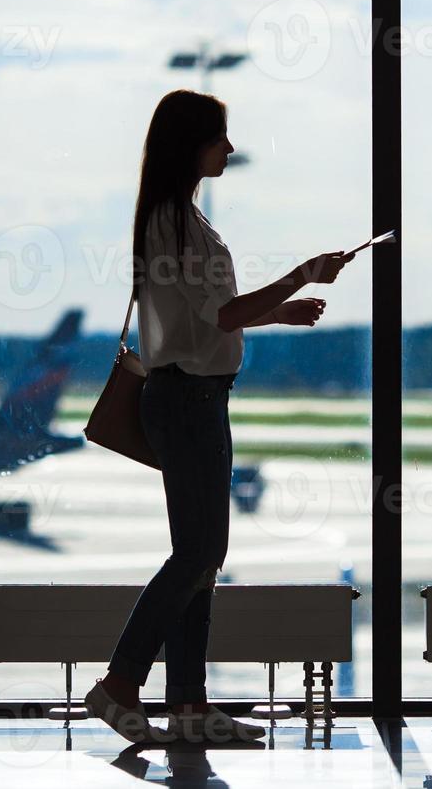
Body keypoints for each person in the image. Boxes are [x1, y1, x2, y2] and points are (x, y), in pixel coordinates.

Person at [84, 89, 353, 744]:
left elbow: (205, 316)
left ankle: (187, 705)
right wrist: (299, 276)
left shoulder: (177, 220)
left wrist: (278, 314)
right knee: (201, 553)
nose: (229, 149)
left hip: (193, 397)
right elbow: (221, 316)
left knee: (199, 556)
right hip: (189, 401)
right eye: (219, 138)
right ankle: (121, 683)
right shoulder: (175, 223)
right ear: (191, 145)